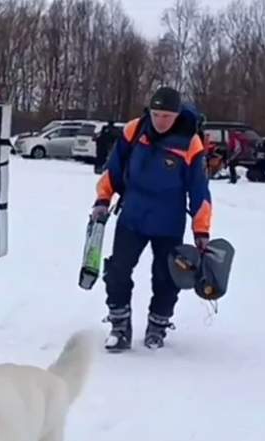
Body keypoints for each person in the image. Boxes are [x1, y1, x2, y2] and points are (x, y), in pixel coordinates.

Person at [90, 86, 213, 351]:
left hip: (169, 222)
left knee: (166, 276)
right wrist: (103, 200)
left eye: (166, 116)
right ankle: (119, 326)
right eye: (156, 114)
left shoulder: (190, 142)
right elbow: (113, 169)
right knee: (117, 270)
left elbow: (199, 191)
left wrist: (201, 232)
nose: (159, 121)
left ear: (177, 115)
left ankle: (158, 326)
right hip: (133, 216)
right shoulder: (134, 130)